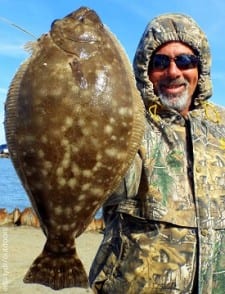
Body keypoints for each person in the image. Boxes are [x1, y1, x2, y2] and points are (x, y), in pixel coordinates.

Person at [89, 13, 225, 293]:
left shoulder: (221, 126)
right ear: (145, 71)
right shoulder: (127, 122)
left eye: (185, 61)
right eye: (161, 62)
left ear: (201, 69)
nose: (173, 72)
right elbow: (106, 188)